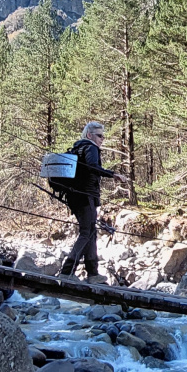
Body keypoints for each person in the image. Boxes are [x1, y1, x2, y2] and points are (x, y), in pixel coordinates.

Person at [59, 121, 124, 282]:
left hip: (75, 196)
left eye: (103, 136)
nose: (102, 139)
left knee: (91, 232)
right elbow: (92, 167)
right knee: (86, 232)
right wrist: (112, 174)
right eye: (100, 135)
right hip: (85, 196)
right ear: (90, 135)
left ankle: (93, 273)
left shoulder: (77, 148)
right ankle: (67, 271)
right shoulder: (90, 147)